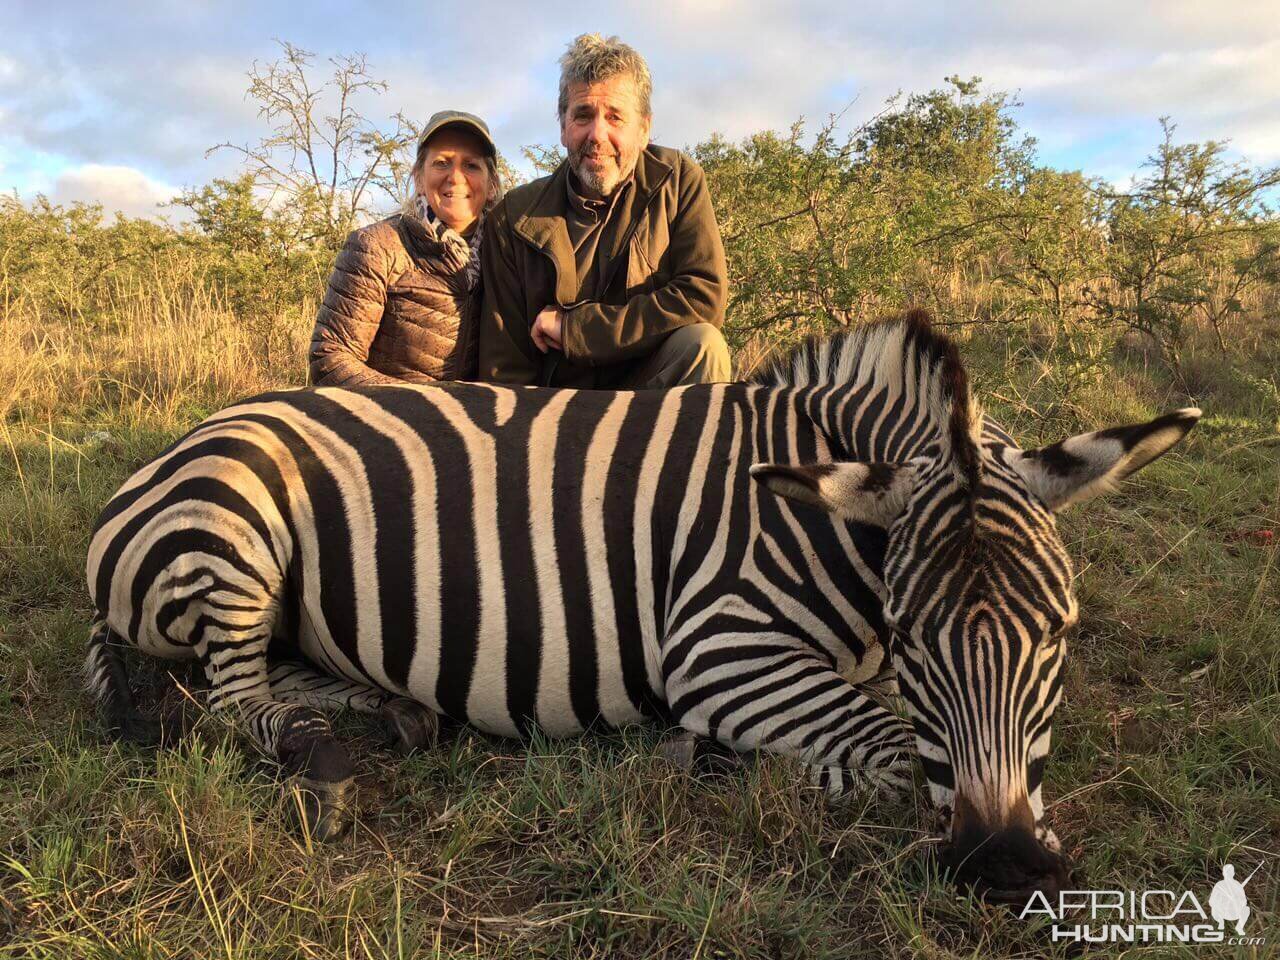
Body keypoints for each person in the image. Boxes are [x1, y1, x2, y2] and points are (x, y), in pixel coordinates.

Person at [478, 34, 732, 389]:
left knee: (703, 346)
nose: (597, 134)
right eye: (583, 115)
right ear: (564, 127)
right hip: (554, 408)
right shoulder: (512, 217)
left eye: (615, 117)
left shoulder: (680, 181)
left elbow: (703, 297)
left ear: (644, 129)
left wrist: (575, 329)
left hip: (649, 390)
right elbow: (505, 367)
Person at [309, 110, 501, 386]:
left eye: (471, 165)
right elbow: (330, 357)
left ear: (492, 184)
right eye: (442, 163)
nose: (456, 177)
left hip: (471, 422)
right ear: (419, 178)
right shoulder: (377, 246)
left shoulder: (505, 255)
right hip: (382, 420)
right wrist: (422, 406)